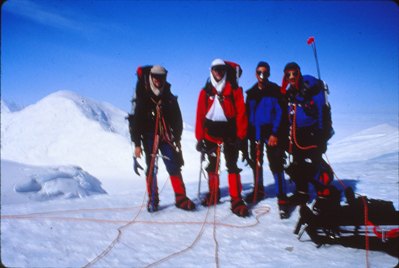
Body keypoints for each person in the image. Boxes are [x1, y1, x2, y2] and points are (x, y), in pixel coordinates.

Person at [128, 65, 195, 212]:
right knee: (151, 167)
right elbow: (137, 122)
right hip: (148, 136)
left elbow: (177, 118)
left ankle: (180, 198)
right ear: (151, 77)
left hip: (165, 135)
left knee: (173, 165)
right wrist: (137, 144)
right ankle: (153, 200)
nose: (158, 80)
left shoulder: (168, 96)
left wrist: (177, 137)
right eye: (155, 77)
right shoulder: (143, 97)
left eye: (161, 77)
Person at [195, 58, 249, 217]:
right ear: (211, 71)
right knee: (212, 165)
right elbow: (200, 116)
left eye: (221, 69)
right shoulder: (205, 92)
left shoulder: (234, 90)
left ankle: (236, 199)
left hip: (230, 135)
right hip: (210, 135)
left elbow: (241, 113)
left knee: (232, 165)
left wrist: (241, 135)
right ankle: (213, 194)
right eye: (215, 69)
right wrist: (200, 138)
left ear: (225, 71)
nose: (218, 72)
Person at [282, 62, 333, 206]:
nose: (291, 77)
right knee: (298, 163)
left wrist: (322, 134)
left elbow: (321, 110)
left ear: (299, 73)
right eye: (288, 74)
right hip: (297, 134)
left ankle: (324, 193)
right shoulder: (291, 92)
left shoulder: (310, 87)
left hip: (313, 133)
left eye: (294, 73)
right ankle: (302, 193)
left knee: (314, 163)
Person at [244, 61, 289, 218]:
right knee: (256, 162)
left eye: (265, 72)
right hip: (256, 133)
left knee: (276, 163)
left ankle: (282, 197)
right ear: (256, 74)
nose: (262, 75)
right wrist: (252, 136)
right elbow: (249, 116)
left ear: (269, 74)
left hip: (272, 132)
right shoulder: (251, 93)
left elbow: (280, 113)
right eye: (259, 72)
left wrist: (275, 133)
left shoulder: (275, 91)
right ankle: (259, 189)